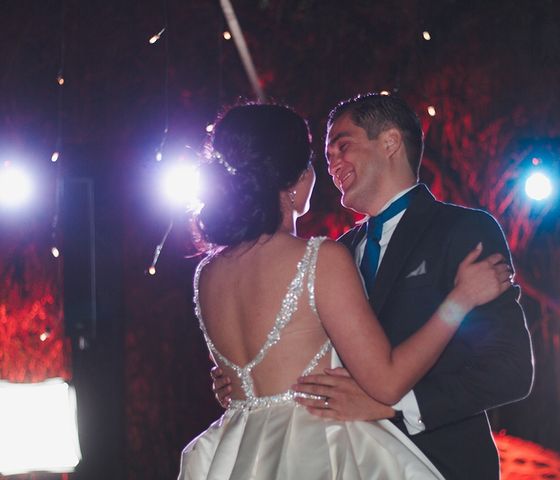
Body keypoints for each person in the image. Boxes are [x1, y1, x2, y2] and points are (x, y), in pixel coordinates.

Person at [179, 103, 514, 479]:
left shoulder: (207, 273)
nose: (330, 163)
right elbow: (382, 376)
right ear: (294, 180)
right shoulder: (326, 256)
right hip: (326, 453)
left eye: (342, 146)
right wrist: (459, 300)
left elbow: (508, 370)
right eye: (319, 158)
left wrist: (243, 379)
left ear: (390, 143)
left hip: (243, 455)